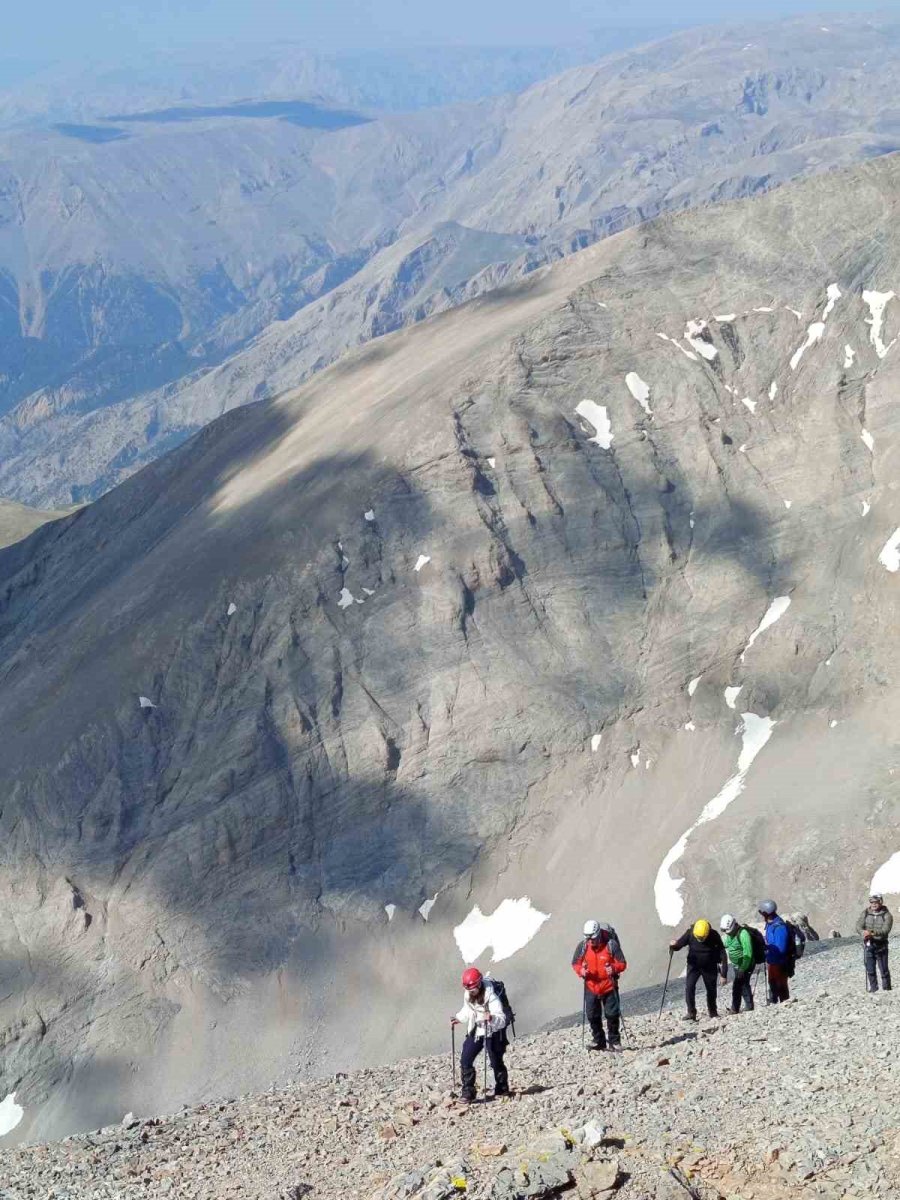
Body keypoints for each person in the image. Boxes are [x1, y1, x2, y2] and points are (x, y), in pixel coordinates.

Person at [451, 967, 509, 1101]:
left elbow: (501, 1019)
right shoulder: (468, 994)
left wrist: (491, 1018)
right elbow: (468, 1010)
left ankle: (502, 1089)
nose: (472, 992)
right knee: (466, 1058)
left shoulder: (491, 996)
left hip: (492, 1031)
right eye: (469, 989)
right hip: (476, 1029)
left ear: (479, 984)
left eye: (473, 989)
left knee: (495, 1060)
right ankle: (468, 1093)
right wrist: (458, 1018)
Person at [571, 919, 627, 1051]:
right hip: (591, 985)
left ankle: (614, 1041)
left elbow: (623, 963)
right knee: (592, 1015)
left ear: (599, 934)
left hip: (609, 985)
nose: (591, 942)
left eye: (594, 939)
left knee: (612, 1014)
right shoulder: (583, 946)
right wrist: (581, 971)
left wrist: (613, 968)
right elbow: (575, 963)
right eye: (589, 939)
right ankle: (598, 1040)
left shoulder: (611, 945)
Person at [669, 919, 727, 1020]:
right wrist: (673, 945)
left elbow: (722, 954)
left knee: (711, 990)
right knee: (689, 987)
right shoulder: (691, 933)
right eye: (698, 937)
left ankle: (713, 1012)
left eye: (702, 937)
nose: (700, 939)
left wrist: (723, 974)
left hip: (710, 967)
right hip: (693, 966)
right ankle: (691, 1013)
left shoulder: (714, 935)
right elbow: (679, 945)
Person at [856, 893, 893, 992]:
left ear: (880, 902)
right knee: (870, 968)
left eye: (876, 902)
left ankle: (887, 990)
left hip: (881, 945)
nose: (873, 904)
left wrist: (872, 933)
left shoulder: (887, 915)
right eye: (872, 902)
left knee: (884, 970)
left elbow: (886, 930)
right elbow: (858, 925)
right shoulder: (865, 913)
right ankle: (873, 989)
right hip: (868, 944)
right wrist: (863, 932)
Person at [719, 914, 755, 1013]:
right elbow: (727, 944)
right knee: (741, 984)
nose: (728, 934)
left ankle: (743, 1007)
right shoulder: (730, 935)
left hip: (746, 964)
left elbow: (748, 953)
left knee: (740, 984)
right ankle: (743, 1006)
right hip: (736, 965)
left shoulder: (743, 934)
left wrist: (743, 968)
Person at [759, 900, 791, 1002]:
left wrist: (767, 947)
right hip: (772, 961)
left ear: (765, 913)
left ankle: (784, 1003)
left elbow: (781, 948)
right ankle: (775, 1001)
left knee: (780, 985)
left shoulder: (779, 927)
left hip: (779, 962)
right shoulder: (771, 924)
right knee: (773, 984)